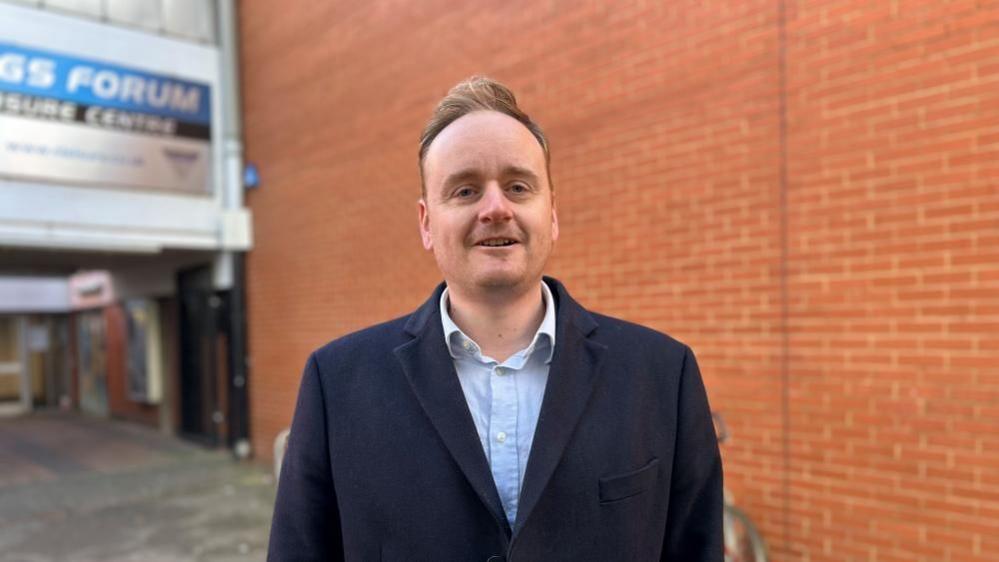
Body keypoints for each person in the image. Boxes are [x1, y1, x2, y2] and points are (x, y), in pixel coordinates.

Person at [268, 77, 723, 561]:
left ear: (551, 214)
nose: (495, 209)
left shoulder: (661, 374)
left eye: (518, 186)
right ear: (426, 222)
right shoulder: (336, 383)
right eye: (465, 190)